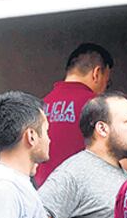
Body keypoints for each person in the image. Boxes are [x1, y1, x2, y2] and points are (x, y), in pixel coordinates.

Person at [36, 42, 114, 185]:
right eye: (107, 83)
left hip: (44, 198)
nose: (104, 90)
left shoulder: (40, 106)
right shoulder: (99, 106)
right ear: (96, 73)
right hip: (83, 198)